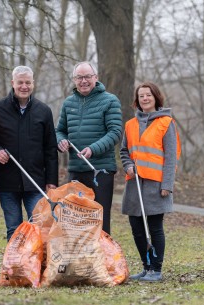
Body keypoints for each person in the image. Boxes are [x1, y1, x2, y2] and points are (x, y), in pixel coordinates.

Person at [0, 65, 58, 241]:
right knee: (14, 229)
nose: (24, 86)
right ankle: (15, 267)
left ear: (33, 84)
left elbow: (50, 148)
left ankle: (35, 267)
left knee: (38, 228)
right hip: (8, 181)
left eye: (28, 83)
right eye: (20, 82)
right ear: (13, 83)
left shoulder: (43, 111)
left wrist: (51, 181)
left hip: (36, 181)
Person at [120, 82, 181, 282]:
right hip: (134, 183)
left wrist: (167, 185)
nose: (145, 99)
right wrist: (128, 165)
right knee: (137, 228)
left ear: (155, 98)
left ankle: (157, 269)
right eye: (141, 96)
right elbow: (124, 151)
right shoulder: (130, 124)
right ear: (137, 100)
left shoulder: (166, 123)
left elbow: (171, 156)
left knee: (155, 228)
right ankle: (146, 267)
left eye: (148, 95)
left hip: (156, 184)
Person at [56, 61, 122, 235]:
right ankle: (79, 261)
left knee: (99, 219)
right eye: (79, 77)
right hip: (76, 170)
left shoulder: (109, 100)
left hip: (100, 170)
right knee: (75, 219)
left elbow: (115, 132)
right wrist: (61, 140)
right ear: (74, 80)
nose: (83, 81)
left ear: (96, 78)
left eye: (87, 77)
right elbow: (60, 130)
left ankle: (102, 260)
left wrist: (93, 149)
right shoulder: (68, 103)